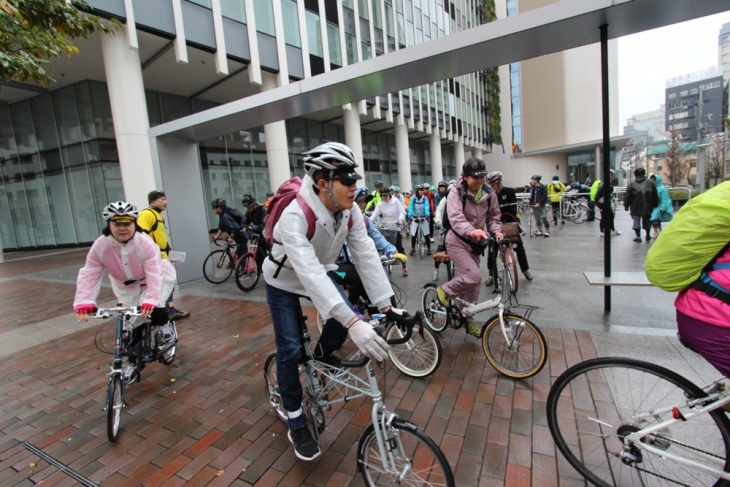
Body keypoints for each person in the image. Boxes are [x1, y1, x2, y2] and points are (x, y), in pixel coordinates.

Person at [262, 142, 409, 461]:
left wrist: (388, 306)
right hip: (284, 281)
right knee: (289, 349)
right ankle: (296, 419)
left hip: (318, 272)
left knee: (349, 301)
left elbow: (366, 253)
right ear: (322, 182)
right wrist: (355, 323)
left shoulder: (350, 209)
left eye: (354, 177)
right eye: (345, 178)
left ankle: (324, 353)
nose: (354, 186)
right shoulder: (295, 216)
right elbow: (311, 275)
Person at [74, 201, 177, 383]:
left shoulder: (144, 242)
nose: (123, 228)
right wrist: (84, 301)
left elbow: (154, 272)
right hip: (125, 286)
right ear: (109, 225)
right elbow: (90, 272)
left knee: (155, 309)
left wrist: (151, 300)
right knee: (131, 324)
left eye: (127, 223)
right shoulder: (100, 245)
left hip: (153, 279)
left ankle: (164, 326)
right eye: (117, 223)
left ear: (134, 224)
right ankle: (132, 362)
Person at [435, 158, 503, 337]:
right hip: (456, 240)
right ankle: (445, 290)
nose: (479, 181)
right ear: (465, 177)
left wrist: (496, 231)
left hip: (475, 244)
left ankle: (467, 317)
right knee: (474, 276)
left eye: (482, 176)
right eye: (475, 178)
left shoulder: (489, 193)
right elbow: (456, 218)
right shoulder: (456, 193)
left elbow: (494, 217)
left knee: (474, 283)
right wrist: (472, 231)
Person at [336, 187, 409, 305]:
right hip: (338, 267)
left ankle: (390, 316)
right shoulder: (342, 219)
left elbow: (378, 237)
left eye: (364, 201)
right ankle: (350, 309)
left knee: (383, 293)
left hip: (359, 264)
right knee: (360, 276)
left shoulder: (365, 220)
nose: (362, 205)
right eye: (359, 202)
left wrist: (393, 252)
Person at [138, 190, 190, 322]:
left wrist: (170, 254)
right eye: (162, 199)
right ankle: (160, 309)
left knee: (168, 282)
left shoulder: (158, 216)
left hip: (162, 255)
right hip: (154, 258)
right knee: (166, 281)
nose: (165, 202)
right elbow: (141, 235)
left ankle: (169, 309)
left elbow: (161, 238)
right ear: (152, 201)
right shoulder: (147, 214)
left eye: (165, 199)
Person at [486, 171, 532, 282]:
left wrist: (517, 226)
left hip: (509, 222)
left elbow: (513, 211)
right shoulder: (487, 195)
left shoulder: (509, 192)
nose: (491, 188)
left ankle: (525, 270)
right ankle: (491, 275)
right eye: (489, 186)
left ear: (499, 183)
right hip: (495, 225)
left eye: (492, 186)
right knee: (492, 249)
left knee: (519, 247)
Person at [371, 189, 407, 272]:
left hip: (395, 225)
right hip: (385, 227)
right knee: (380, 245)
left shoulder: (396, 201)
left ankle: (404, 266)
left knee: (399, 247)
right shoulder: (380, 204)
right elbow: (374, 215)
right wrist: (369, 221)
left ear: (389, 195)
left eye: (386, 196)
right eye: (383, 196)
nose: (385, 198)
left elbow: (402, 212)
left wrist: (400, 219)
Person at [624, 167, 659, 243]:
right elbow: (655, 195)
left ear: (635, 174)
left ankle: (638, 236)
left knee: (636, 220)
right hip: (648, 205)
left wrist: (626, 205)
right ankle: (647, 235)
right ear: (644, 173)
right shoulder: (650, 183)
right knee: (647, 220)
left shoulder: (631, 184)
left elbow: (627, 196)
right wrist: (656, 203)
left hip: (635, 205)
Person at [240, 194, 269, 272]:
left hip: (267, 233)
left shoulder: (263, 210)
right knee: (258, 253)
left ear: (254, 204)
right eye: (246, 207)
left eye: (249, 206)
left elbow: (264, 224)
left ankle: (275, 266)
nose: (248, 209)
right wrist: (243, 226)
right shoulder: (249, 212)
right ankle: (261, 269)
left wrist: (252, 227)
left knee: (270, 249)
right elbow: (244, 220)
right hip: (258, 234)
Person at [407, 185, 432, 255]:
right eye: (420, 190)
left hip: (424, 217)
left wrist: (427, 215)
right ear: (417, 191)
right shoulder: (413, 199)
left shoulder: (425, 199)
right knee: (414, 234)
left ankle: (429, 248)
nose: (422, 191)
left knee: (426, 234)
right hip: (415, 217)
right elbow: (411, 207)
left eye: (422, 190)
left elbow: (427, 206)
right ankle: (413, 248)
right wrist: (409, 216)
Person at [596, 170, 621, 237]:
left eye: (613, 175)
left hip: (606, 202)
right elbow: (598, 194)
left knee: (610, 216)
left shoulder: (608, 183)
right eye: (612, 175)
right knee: (604, 217)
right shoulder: (603, 184)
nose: (613, 176)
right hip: (603, 203)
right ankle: (602, 231)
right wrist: (596, 202)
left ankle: (612, 230)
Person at [649, 174, 673, 238]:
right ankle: (659, 231)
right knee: (656, 220)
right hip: (654, 207)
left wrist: (662, 208)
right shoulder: (651, 188)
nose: (652, 181)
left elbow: (664, 199)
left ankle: (656, 232)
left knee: (654, 219)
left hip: (658, 206)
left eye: (653, 180)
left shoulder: (662, 189)